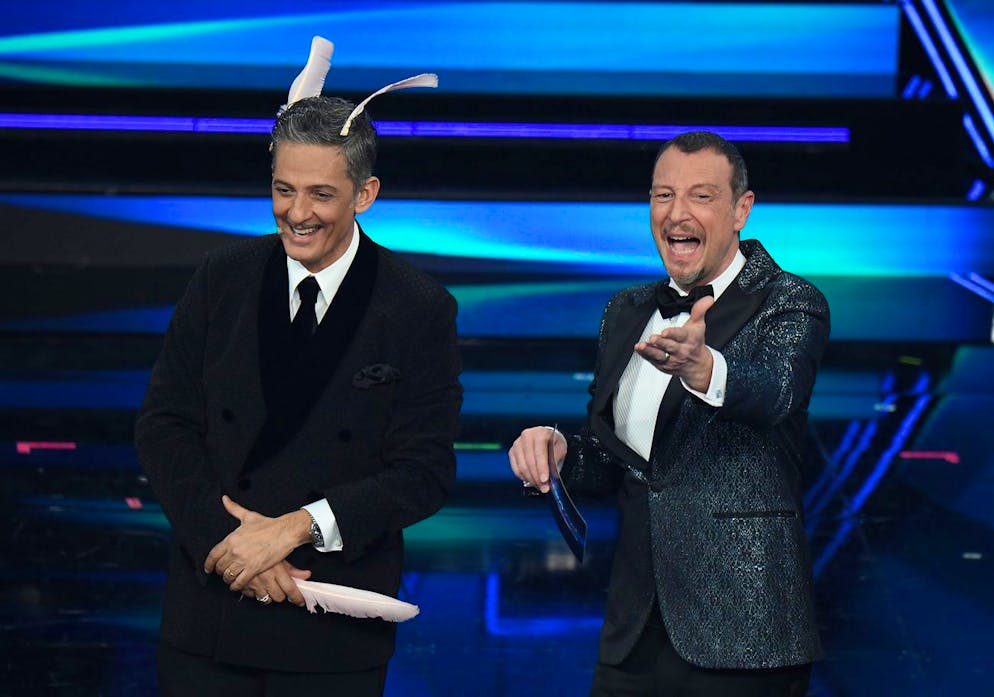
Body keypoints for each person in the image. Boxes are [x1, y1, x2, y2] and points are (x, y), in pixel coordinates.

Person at [134, 95, 462, 696]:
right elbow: (164, 426)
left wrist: (295, 528)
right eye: (283, 190)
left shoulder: (418, 308)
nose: (297, 213)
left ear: (365, 194)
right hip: (210, 614)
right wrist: (233, 547)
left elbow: (424, 472)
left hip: (332, 626)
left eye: (320, 194)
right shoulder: (222, 276)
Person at [509, 131, 829, 696]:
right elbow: (617, 459)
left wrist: (705, 369)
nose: (677, 213)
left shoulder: (789, 301)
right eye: (663, 195)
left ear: (741, 210)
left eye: (701, 196)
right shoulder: (626, 310)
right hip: (634, 633)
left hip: (744, 632)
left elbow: (776, 392)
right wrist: (560, 454)